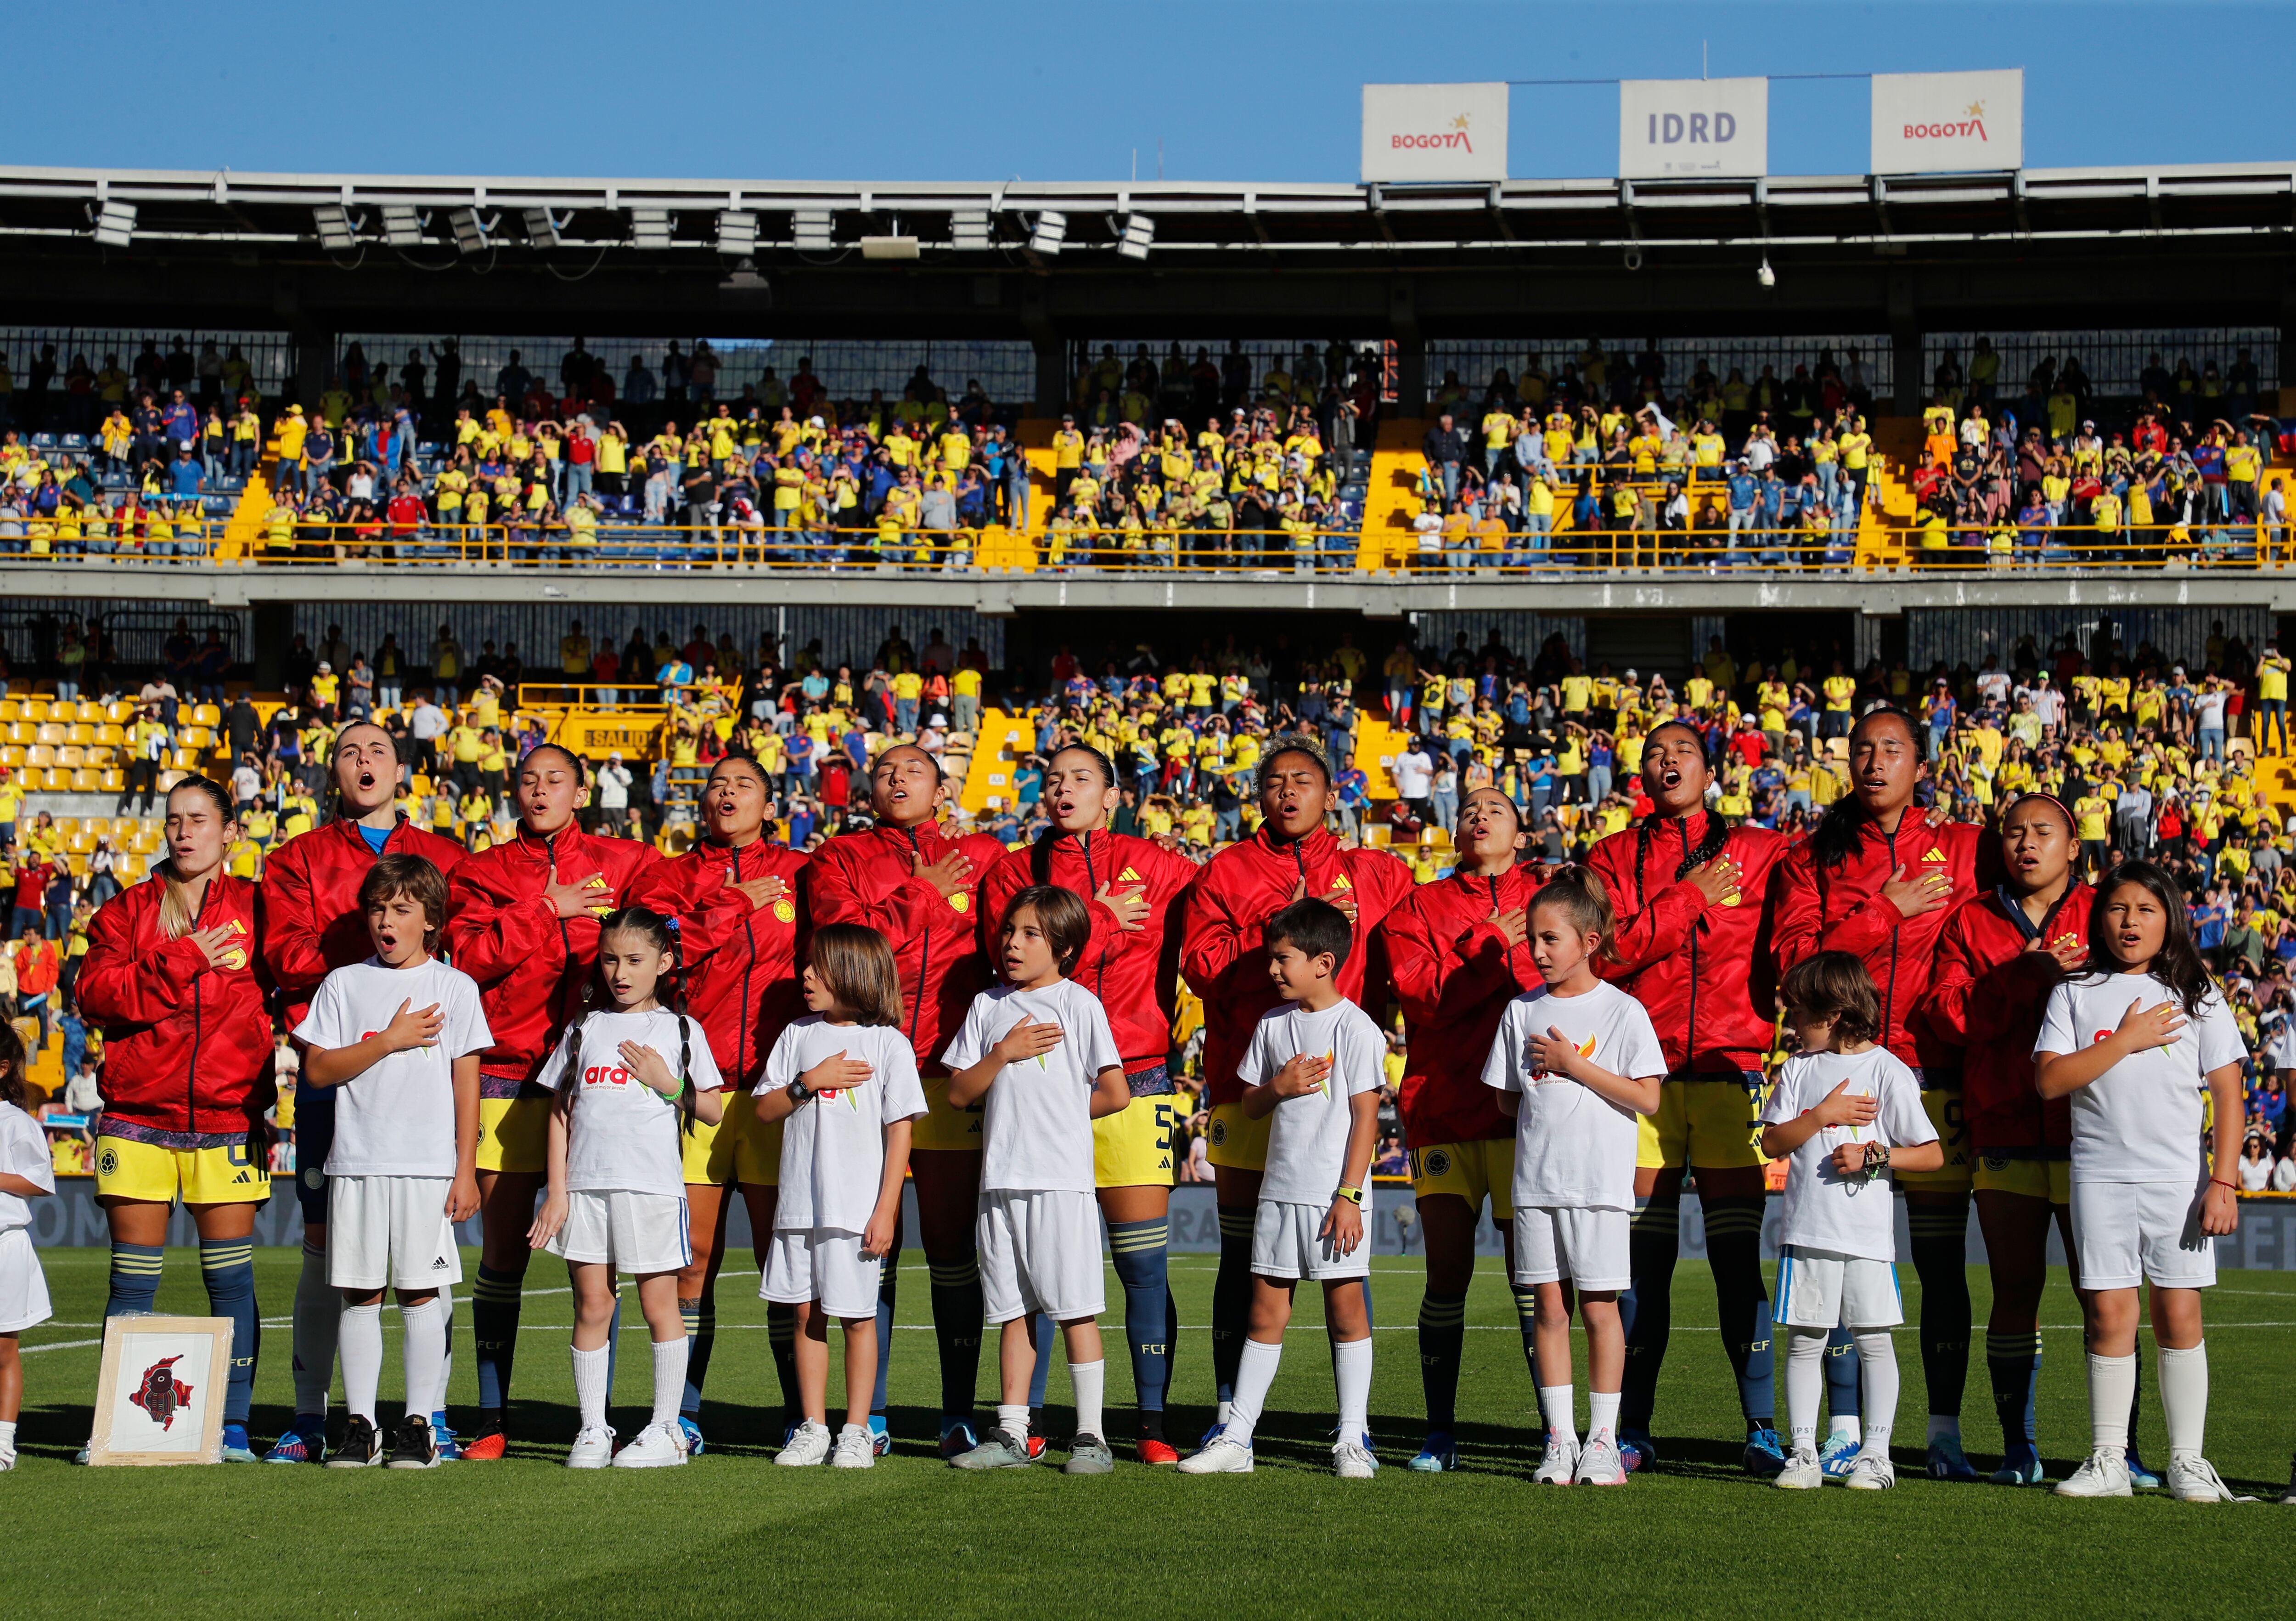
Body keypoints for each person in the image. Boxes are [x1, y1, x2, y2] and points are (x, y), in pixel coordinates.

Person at [1773, 707, 1989, 1479]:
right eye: (1862, 748)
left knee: (1938, 1265)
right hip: (1837, 1067)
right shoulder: (1813, 854)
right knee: (1834, 1257)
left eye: (1891, 749)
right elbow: (1796, 966)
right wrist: (1884, 912)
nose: (1873, 761)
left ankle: (1942, 1432)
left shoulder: (1967, 848)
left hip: (1929, 1070)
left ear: (1920, 766)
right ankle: (1841, 1430)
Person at [1181, 738, 1412, 1441]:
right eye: (1275, 781)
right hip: (1249, 1086)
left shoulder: (1374, 872)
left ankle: (1353, 1426)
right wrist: (1278, 927)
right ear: (1259, 796)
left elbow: (1401, 957)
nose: (1287, 791)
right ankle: (1231, 1413)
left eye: (1302, 780)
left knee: (1345, 1262)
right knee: (1245, 1260)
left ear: (1331, 795)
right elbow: (1201, 965)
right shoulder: (1227, 870)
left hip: (1336, 1100)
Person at [978, 744, 1198, 1463]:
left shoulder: (1161, 866)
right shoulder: (1012, 871)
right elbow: (1006, 961)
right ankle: (1031, 1423)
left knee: (1142, 1267)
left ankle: (1153, 1424)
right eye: (1053, 779)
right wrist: (1097, 918)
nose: (1063, 788)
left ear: (1113, 796)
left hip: (1134, 1082)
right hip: (1037, 1094)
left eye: (1080, 778)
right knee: (1037, 1272)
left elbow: (1218, 925)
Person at [257, 720, 467, 1465]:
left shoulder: (447, 854)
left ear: (401, 769)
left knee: (425, 1265)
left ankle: (427, 1417)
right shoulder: (296, 858)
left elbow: (465, 949)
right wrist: (382, 960)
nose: (364, 760)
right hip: (338, 1085)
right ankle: (313, 1416)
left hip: (421, 1097)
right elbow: (286, 953)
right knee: (328, 1254)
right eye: (349, 752)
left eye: (377, 749)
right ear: (333, 773)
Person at [445, 744, 662, 1458]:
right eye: (529, 780)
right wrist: (545, 909)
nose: (541, 791)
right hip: (507, 1077)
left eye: (555, 780)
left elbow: (664, 942)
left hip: (601, 1081)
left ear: (581, 790)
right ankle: (491, 1416)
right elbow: (468, 960)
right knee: (503, 1253)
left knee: (601, 1260)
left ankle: (600, 1419)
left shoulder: (627, 861)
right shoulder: (481, 870)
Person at [1588, 718, 1793, 1474]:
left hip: (1732, 1074)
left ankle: (1762, 1427)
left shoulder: (1767, 851)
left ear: (1711, 772)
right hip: (1641, 1084)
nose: (1667, 761)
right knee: (1644, 1265)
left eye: (1683, 752)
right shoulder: (1610, 856)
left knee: (1739, 1261)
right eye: (1654, 753)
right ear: (1640, 774)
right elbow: (1605, 955)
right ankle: (1634, 1427)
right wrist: (1687, 897)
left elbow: (1795, 945)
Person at [1920, 792, 2133, 1486]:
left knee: (2103, 1294)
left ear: (2074, 845)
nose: (2026, 843)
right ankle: (2019, 1445)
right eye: (2014, 832)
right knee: (2014, 1289)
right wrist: (2026, 974)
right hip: (2003, 1125)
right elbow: (1946, 1014)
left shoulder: (2107, 911)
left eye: (2043, 831)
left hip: (2091, 1130)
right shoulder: (1971, 919)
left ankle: (2122, 1449)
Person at [804, 744, 1006, 1455]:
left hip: (949, 1070)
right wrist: (920, 890)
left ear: (943, 789)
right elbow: (846, 954)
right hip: (864, 1066)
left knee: (952, 1247)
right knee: (871, 1244)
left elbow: (1014, 948)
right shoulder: (839, 857)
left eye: (914, 770)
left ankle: (958, 1413)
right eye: (886, 770)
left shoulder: (984, 856)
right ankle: (873, 1415)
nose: (897, 778)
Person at [2036, 860, 2247, 1503]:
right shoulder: (2074, 991)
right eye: (2117, 908)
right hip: (2099, 1177)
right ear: (2099, 918)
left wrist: (2224, 1181)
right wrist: (2126, 1039)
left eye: (2146, 909)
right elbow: (2049, 1080)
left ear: (2169, 918)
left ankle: (2188, 1461)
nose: (2130, 921)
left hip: (2177, 1182)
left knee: (2178, 1312)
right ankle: (2108, 1461)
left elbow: (2228, 1093)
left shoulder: (2198, 993)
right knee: (2108, 1314)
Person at [77, 776, 272, 1462]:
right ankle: (117, 1428)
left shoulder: (258, 906)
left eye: (199, 820)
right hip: (137, 1118)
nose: (184, 832)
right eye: (174, 821)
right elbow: (96, 996)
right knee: (132, 1280)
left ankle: (234, 1427)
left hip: (229, 1117)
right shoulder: (127, 910)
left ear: (230, 832)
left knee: (231, 1280)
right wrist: (185, 956)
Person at [630, 756, 810, 1455]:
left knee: (782, 1255)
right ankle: (680, 1415)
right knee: (691, 1257)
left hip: (773, 1093)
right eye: (716, 784)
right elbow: (655, 952)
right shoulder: (668, 877)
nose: (727, 792)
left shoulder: (802, 872)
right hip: (692, 1091)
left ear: (770, 803)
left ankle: (802, 1414)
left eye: (744, 784)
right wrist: (730, 902)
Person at [292, 856, 488, 1469]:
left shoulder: (455, 988)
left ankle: (419, 1424)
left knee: (421, 1292)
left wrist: (465, 1170)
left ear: (430, 919)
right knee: (360, 1294)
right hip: (356, 1163)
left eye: (402, 909)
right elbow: (317, 1070)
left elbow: (467, 1085)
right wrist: (388, 1040)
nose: (386, 921)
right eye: (378, 908)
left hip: (427, 1167)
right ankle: (361, 1426)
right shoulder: (344, 983)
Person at [1178, 897, 1383, 1479]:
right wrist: (1280, 1086)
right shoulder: (1272, 1023)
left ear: (1323, 962)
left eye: (1282, 958)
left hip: (1334, 1198)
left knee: (1346, 1312)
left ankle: (1352, 1439)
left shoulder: (1356, 1027)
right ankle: (1237, 1439)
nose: (1271, 968)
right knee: (1265, 1312)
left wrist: (1349, 1196)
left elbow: (1365, 1117)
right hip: (1278, 1191)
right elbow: (1249, 1103)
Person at [1480, 869, 1665, 1486]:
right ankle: (1560, 1440)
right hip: (1536, 1184)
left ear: (1589, 941)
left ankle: (1604, 1441)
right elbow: (1506, 1098)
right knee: (1548, 1309)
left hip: (1598, 1186)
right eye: (1532, 938)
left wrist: (1572, 1065)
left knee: (1599, 1308)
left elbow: (1647, 1097)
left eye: (1550, 939)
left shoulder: (1623, 1010)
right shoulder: (1520, 1010)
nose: (1536, 950)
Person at [1379, 786, 1546, 1471]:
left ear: (1523, 834)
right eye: (1469, 810)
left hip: (1525, 1115)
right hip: (1442, 1109)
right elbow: (1424, 996)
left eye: (1496, 810)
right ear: (1453, 833)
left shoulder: (1553, 897)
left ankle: (1556, 1430)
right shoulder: (1418, 906)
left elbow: (1557, 983)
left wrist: (1493, 953)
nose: (1480, 816)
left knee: (1533, 1279)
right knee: (1446, 1275)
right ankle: (1439, 1432)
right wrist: (1492, 943)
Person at [526, 906, 726, 1469]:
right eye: (611, 959)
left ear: (663, 963)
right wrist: (557, 1192)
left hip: (651, 1190)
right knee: (593, 1304)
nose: (620, 972)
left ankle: (665, 1431)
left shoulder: (680, 1029)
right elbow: (561, 1114)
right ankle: (593, 1429)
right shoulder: (584, 1028)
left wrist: (669, 1084)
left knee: (658, 1304)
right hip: (585, 1191)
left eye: (635, 960)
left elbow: (711, 1109)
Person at [941, 886, 1128, 1473]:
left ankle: (1092, 1436)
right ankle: (1012, 1432)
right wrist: (1003, 1053)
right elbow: (957, 1093)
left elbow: (1115, 1092)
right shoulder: (986, 1005)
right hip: (999, 1181)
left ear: (1064, 947)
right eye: (1008, 931)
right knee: (1011, 1310)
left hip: (1058, 1180)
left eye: (1030, 934)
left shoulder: (1078, 1004)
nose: (1012, 944)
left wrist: (1060, 1120)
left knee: (1074, 1309)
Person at [1759, 952, 1943, 1490]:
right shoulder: (1798, 1069)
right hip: (1806, 1233)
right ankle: (1802, 1455)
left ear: (1834, 1012)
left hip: (1866, 1239)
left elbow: (1930, 1154)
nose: (1791, 1022)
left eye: (1799, 1011)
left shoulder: (1887, 1070)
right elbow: (1771, 1142)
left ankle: (1875, 1455)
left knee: (1873, 1342)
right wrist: (1820, 1116)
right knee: (1804, 1341)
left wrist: (1874, 1156)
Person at [753, 925, 924, 1469]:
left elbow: (900, 1131)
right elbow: (765, 1109)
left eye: (818, 967)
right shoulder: (796, 1034)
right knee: (805, 1313)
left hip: (856, 1210)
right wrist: (810, 1080)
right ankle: (812, 1428)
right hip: (799, 1204)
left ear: (852, 973)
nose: (805, 975)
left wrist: (886, 1209)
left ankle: (856, 1430)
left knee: (856, 1316)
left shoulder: (888, 1044)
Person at [0, 1024, 51, 1471]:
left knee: (3, 1351)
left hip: (4, 1246)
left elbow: (40, 1181)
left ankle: (3, 1446)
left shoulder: (16, 1122)